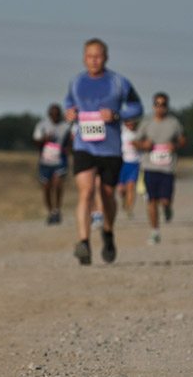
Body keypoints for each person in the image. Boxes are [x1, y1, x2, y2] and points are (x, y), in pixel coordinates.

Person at [65, 38, 143, 265]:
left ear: (106, 58)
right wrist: (69, 113)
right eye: (90, 56)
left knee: (107, 195)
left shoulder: (119, 82)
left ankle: (108, 233)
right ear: (84, 58)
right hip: (84, 146)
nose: (94, 60)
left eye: (98, 56)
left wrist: (118, 115)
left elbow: (137, 107)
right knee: (86, 192)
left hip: (110, 149)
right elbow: (68, 104)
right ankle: (84, 242)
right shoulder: (76, 82)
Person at [134, 92, 185, 244]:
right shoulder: (147, 123)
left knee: (164, 200)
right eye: (157, 104)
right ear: (153, 105)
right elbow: (135, 141)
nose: (160, 107)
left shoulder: (173, 123)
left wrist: (175, 145)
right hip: (150, 167)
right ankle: (155, 231)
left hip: (167, 169)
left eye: (163, 104)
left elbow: (183, 139)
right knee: (152, 201)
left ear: (167, 106)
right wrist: (144, 145)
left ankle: (167, 208)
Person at [32, 104, 72, 224]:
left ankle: (57, 210)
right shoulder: (42, 125)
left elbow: (72, 140)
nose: (55, 117)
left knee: (57, 185)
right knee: (47, 188)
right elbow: (35, 141)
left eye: (57, 114)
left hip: (60, 161)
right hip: (45, 161)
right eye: (53, 115)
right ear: (49, 115)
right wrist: (45, 139)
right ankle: (50, 212)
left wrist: (69, 148)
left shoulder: (66, 126)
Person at [116, 118, 141, 217]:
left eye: (132, 122)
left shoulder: (138, 134)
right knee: (121, 189)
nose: (131, 124)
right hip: (122, 163)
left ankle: (129, 209)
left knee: (131, 187)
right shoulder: (121, 133)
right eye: (128, 122)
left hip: (134, 163)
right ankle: (123, 199)